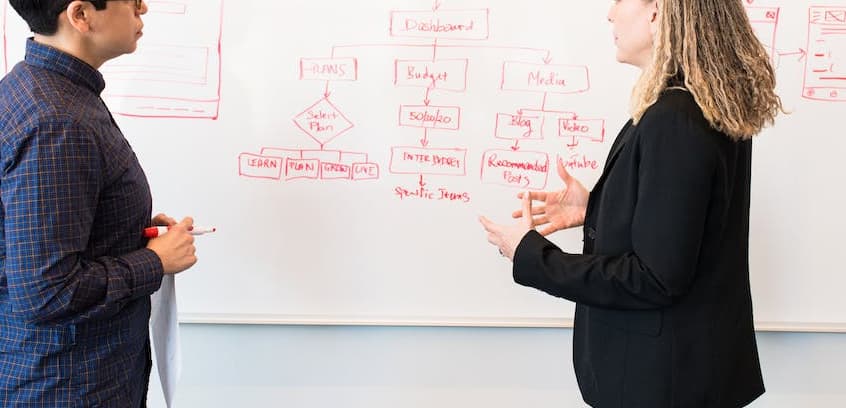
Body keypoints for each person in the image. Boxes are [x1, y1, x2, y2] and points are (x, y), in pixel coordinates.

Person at [479, 0, 783, 406]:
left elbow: (654, 278)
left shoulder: (675, 119)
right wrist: (597, 207)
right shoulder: (707, 106)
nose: (610, 13)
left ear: (657, 12)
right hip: (685, 376)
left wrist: (532, 255)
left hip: (663, 385)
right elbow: (688, 224)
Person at [0, 0, 198, 405]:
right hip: (67, 386)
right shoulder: (57, 121)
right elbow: (46, 291)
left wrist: (128, 232)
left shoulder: (44, 89)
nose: (143, 7)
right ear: (81, 15)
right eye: (130, 0)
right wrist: (155, 261)